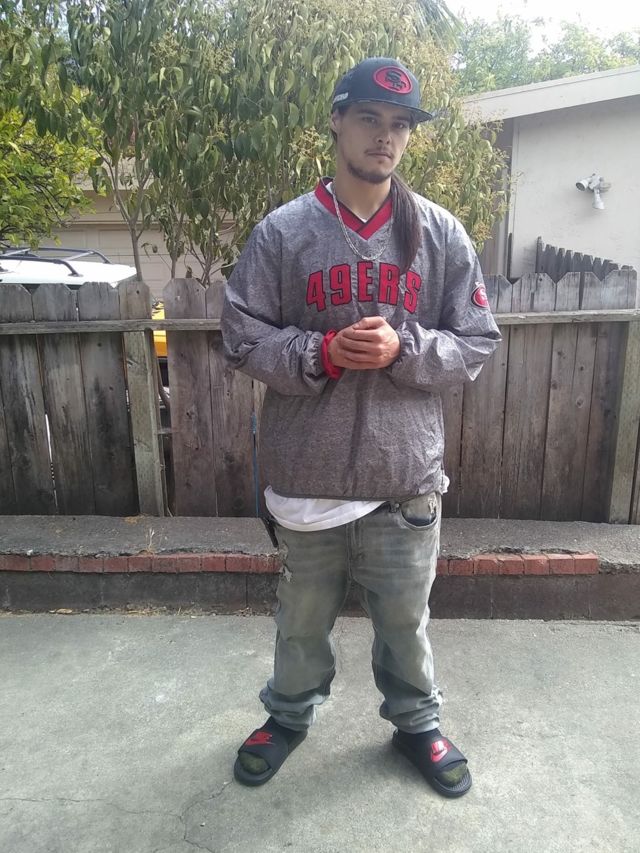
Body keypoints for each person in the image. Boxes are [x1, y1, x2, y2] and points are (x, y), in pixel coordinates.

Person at [221, 56, 501, 798]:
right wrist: (319, 353)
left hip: (404, 479)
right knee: (300, 621)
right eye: (370, 118)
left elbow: (477, 341)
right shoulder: (284, 232)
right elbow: (241, 335)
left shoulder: (439, 234)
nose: (386, 136)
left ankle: (417, 723)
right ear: (338, 121)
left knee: (406, 623)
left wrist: (403, 348)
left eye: (400, 124)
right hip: (307, 478)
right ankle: (287, 716)